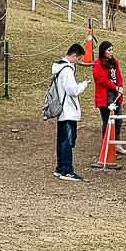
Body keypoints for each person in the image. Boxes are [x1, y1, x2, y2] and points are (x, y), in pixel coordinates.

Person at [49, 43, 87, 182]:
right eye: (79, 59)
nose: (78, 62)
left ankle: (60, 168)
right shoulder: (67, 70)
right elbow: (73, 90)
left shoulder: (59, 68)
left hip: (62, 110)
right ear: (74, 56)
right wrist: (83, 85)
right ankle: (67, 170)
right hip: (68, 110)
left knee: (62, 140)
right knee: (68, 141)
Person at [92, 40, 126, 161]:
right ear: (103, 51)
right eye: (109, 50)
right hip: (106, 96)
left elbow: (118, 75)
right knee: (108, 121)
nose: (111, 52)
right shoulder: (98, 64)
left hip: (116, 94)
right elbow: (101, 80)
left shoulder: (114, 62)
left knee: (118, 119)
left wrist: (120, 87)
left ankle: (117, 144)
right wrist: (115, 87)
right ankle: (107, 146)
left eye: (112, 50)